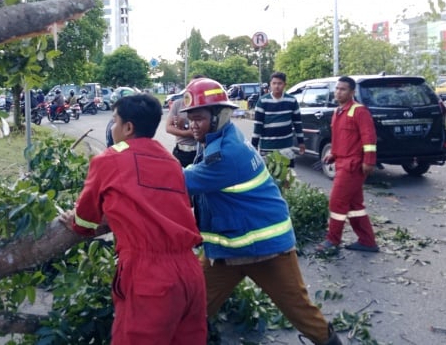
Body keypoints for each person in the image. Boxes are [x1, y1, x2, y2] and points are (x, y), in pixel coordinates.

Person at [181, 77, 341, 345]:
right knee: (193, 308)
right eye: (191, 119)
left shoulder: (225, 154)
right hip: (227, 250)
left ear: (219, 116)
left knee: (300, 312)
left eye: (198, 118)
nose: (193, 125)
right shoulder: (219, 138)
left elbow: (179, 182)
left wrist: (140, 162)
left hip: (267, 250)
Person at [59, 93, 207, 345]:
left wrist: (74, 219)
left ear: (128, 128)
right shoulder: (171, 161)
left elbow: (84, 222)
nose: (112, 127)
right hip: (191, 273)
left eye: (114, 121)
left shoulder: (109, 159)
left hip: (149, 278)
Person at [316, 76, 379, 254]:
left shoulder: (359, 111)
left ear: (352, 92)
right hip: (342, 162)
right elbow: (339, 139)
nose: (338, 92)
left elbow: (369, 138)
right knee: (354, 205)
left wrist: (369, 160)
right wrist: (333, 154)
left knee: (337, 202)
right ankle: (367, 241)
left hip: (353, 165)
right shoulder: (338, 112)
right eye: (337, 89)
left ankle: (332, 240)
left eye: (343, 89)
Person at [251, 71, 305, 167]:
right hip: (267, 147)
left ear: (285, 85)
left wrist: (301, 142)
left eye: (279, 83)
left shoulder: (292, 100)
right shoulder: (262, 101)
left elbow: (297, 123)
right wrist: (253, 145)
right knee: (269, 177)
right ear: (270, 85)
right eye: (274, 83)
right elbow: (258, 125)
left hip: (286, 147)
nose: (276, 86)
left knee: (288, 177)